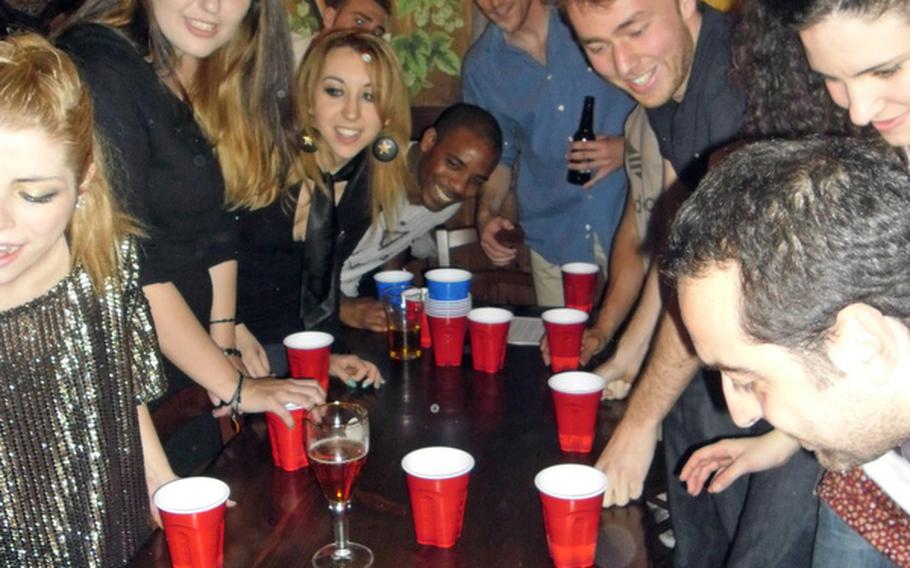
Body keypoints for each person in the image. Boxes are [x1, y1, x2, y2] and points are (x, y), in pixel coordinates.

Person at [560, 1, 821, 566]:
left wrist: (639, 421)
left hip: (801, 375)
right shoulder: (669, 79)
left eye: (634, 31)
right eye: (597, 46)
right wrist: (627, 356)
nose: (623, 63)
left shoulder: (736, 79)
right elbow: (684, 236)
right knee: (699, 546)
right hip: (728, 359)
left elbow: (713, 274)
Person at [680, 1, 910, 565]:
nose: (858, 110)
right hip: (877, 480)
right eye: (831, 78)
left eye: (886, 70)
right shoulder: (893, 147)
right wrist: (788, 430)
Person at [55, 0, 325, 476]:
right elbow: (126, 263)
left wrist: (224, 350)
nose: (211, 6)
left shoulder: (200, 63)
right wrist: (233, 384)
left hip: (188, 370)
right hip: (126, 382)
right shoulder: (101, 65)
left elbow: (220, 226)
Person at [0, 34, 175, 564]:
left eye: (35, 195)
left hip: (115, 536)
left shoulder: (103, 261)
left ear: (85, 185)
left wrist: (164, 484)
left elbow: (124, 384)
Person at [234, 29, 409, 374]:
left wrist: (328, 358)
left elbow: (318, 288)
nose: (352, 113)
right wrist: (230, 331)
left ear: (387, 115)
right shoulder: (263, 163)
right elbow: (198, 261)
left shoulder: (365, 186)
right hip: (216, 347)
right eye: (334, 91)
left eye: (370, 97)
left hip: (283, 355)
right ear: (308, 102)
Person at [463, 0, 634, 307]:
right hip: (554, 231)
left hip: (631, 217)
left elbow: (666, 103)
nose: (494, 3)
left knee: (641, 346)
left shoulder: (592, 18)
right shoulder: (482, 67)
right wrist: (486, 212)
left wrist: (627, 149)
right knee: (562, 349)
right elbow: (500, 157)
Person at [339, 102, 503, 331]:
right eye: (453, 164)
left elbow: (396, 241)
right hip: (298, 306)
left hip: (347, 303)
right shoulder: (370, 172)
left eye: (476, 180)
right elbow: (290, 257)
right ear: (429, 141)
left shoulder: (444, 200)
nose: (459, 186)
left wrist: (394, 293)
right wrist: (345, 308)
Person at [292, 0, 391, 63]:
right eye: (359, 22)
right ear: (330, 17)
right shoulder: (285, 54)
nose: (368, 36)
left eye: (377, 32)